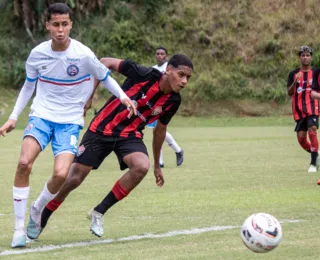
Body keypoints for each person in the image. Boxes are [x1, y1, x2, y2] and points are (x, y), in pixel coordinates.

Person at [0, 3, 136, 248]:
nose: (60, 30)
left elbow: (105, 77)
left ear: (71, 25)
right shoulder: (37, 54)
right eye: (55, 25)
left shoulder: (83, 54)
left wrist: (124, 98)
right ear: (47, 26)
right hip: (41, 116)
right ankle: (19, 230)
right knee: (23, 163)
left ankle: (37, 209)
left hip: (70, 121)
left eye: (64, 24)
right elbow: (29, 86)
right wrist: (13, 116)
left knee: (61, 174)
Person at [35, 54, 193, 239]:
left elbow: (160, 131)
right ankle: (42, 216)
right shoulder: (144, 74)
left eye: (188, 77)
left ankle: (98, 212)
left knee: (142, 166)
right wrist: (90, 95)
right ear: (168, 70)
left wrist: (157, 165)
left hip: (129, 135)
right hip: (102, 128)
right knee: (74, 179)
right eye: (181, 74)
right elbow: (104, 63)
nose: (184, 81)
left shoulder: (173, 101)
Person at [147, 46, 184, 168]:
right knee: (157, 131)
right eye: (157, 53)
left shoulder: (170, 68)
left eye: (162, 54)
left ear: (166, 56)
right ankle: (167, 157)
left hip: (166, 103)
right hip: (155, 103)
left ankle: (176, 152)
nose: (159, 56)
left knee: (160, 130)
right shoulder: (153, 69)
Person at [287, 45, 319, 173]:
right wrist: (295, 82)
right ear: (300, 57)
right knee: (301, 139)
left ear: (311, 57)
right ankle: (317, 155)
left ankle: (313, 164)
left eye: (307, 55)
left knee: (312, 130)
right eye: (303, 55)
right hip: (299, 110)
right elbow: (289, 93)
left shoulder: (316, 73)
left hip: (313, 107)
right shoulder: (293, 73)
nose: (305, 58)